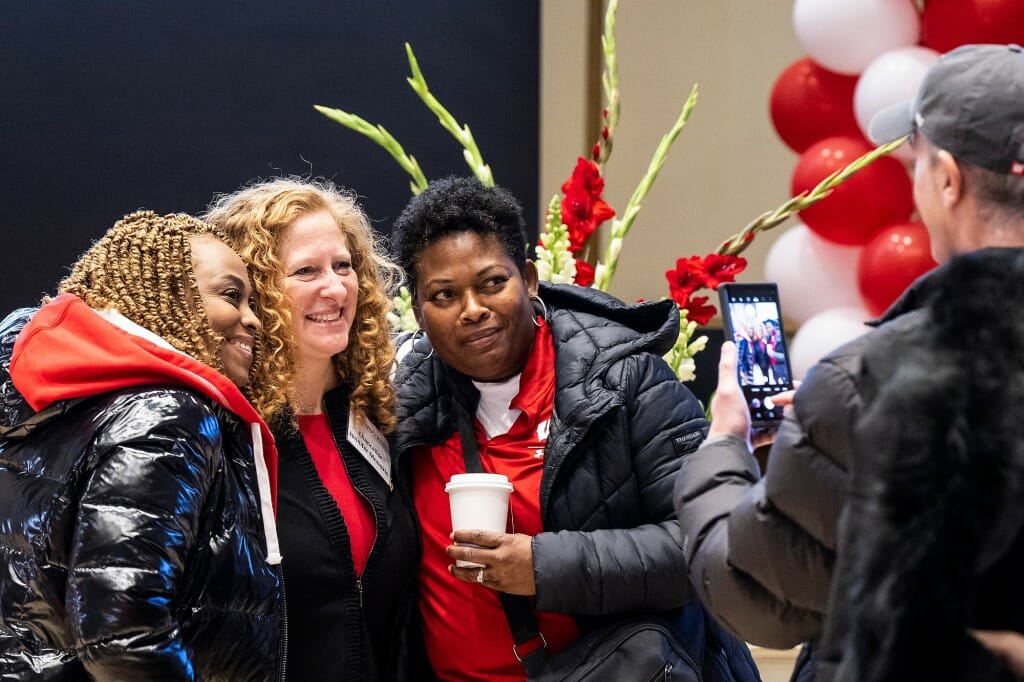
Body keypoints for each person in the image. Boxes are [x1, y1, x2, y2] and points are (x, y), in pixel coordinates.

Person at [673, 43, 1024, 680]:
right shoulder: (859, 391)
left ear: (948, 178)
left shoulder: (869, 382)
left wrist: (722, 444)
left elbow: (757, 597)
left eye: (916, 162)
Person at [390, 175, 759, 681]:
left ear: (530, 279)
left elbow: (708, 545)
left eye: (492, 283)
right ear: (418, 311)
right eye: (444, 294)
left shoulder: (625, 380)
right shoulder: (401, 402)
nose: (472, 310)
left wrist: (544, 566)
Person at [0, 211, 281, 679]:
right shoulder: (166, 415)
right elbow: (122, 639)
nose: (252, 320)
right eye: (232, 296)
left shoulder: (56, 405)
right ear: (168, 294)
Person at [204, 177, 427, 681]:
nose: (335, 287)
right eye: (306, 270)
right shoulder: (221, 432)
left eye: (343, 266)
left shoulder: (378, 411)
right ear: (253, 291)